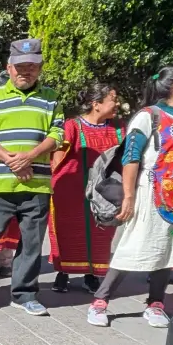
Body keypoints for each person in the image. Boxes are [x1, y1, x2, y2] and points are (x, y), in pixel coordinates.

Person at [86, 67, 173, 328]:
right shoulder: (148, 117)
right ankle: (100, 300)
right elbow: (131, 158)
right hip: (151, 193)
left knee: (167, 251)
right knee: (132, 246)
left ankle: (156, 303)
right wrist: (128, 197)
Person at [0, 38, 64, 316]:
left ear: (40, 68)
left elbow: (57, 135)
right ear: (9, 68)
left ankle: (25, 293)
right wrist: (11, 160)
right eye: (20, 66)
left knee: (32, 242)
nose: (25, 71)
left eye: (31, 66)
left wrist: (29, 157)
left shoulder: (51, 98)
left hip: (37, 183)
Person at [49, 82, 120, 294]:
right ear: (96, 104)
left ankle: (92, 275)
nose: (117, 104)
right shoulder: (72, 127)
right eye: (113, 99)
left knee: (101, 233)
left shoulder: (117, 129)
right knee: (68, 232)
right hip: (71, 193)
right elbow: (57, 162)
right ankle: (63, 273)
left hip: (104, 193)